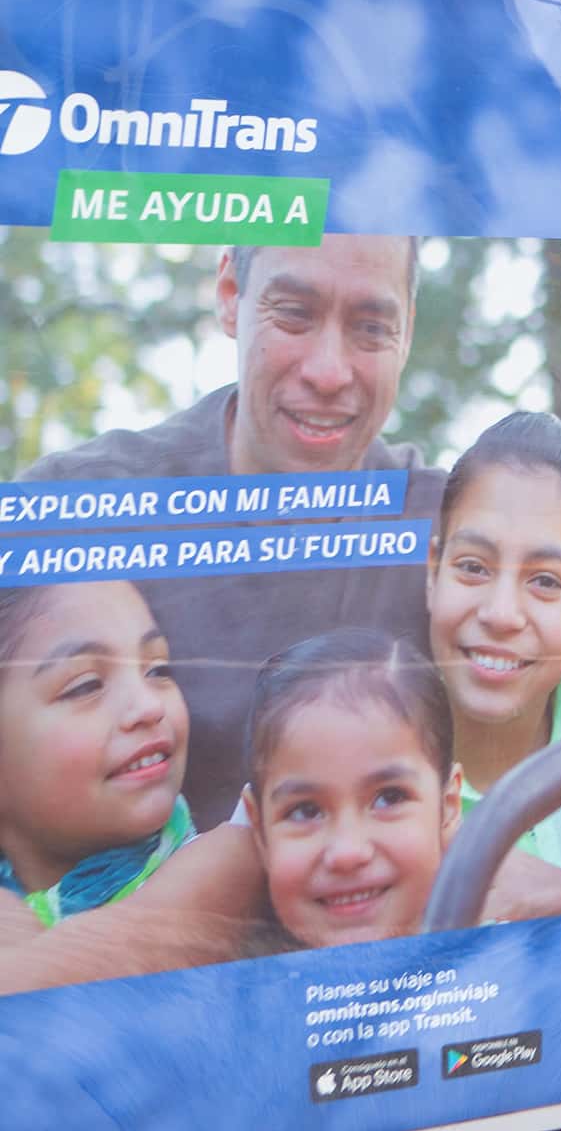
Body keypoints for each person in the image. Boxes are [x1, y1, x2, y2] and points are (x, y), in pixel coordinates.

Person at [20, 236, 446, 823]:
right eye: (294, 313)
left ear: (408, 331)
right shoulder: (76, 510)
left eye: (371, 326)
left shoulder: (460, 538)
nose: (328, 371)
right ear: (230, 295)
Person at [0, 580, 260, 992]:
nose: (149, 706)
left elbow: (44, 999)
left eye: (158, 670)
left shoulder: (231, 859)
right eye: (86, 685)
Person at [426, 411, 561, 912]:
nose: (501, 614)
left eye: (545, 580)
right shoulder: (346, 772)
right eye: (473, 567)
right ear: (433, 573)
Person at [241, 628, 461, 950]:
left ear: (449, 806)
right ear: (259, 830)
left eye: (389, 798)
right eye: (306, 811)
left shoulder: (507, 960)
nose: (347, 853)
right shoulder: (231, 983)